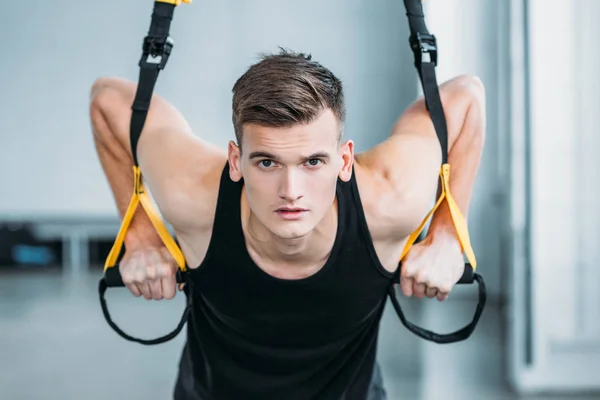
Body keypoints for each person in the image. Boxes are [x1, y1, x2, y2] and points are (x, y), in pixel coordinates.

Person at [89, 49, 485, 400]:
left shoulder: (388, 200)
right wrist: (140, 236)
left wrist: (448, 235)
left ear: (344, 161)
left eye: (313, 162)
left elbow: (466, 95)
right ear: (235, 160)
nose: (291, 191)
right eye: (266, 162)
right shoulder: (196, 198)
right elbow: (108, 99)